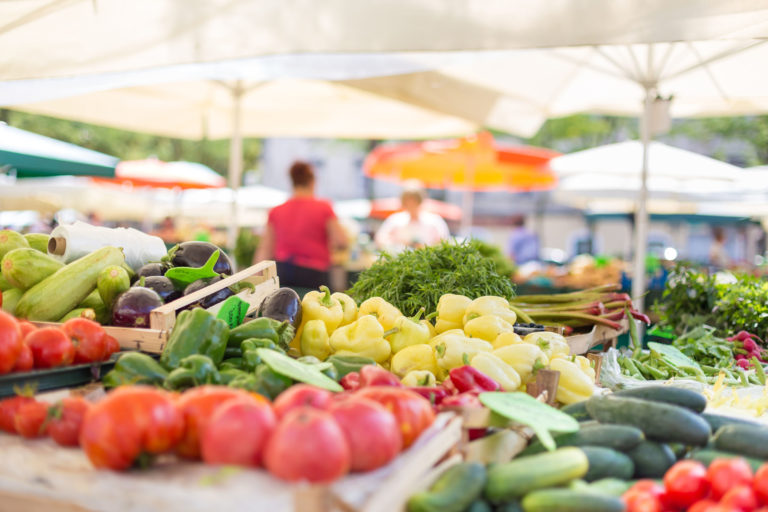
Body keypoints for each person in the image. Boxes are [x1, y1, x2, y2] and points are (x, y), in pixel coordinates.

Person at [255, 161, 347, 289]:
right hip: (315, 273)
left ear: (292, 182)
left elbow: (265, 249)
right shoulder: (324, 208)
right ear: (312, 182)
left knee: (283, 307)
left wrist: (257, 279)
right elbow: (341, 241)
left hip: (283, 271)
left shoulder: (276, 211)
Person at [374, 181, 450, 252]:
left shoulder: (434, 221)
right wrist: (399, 243)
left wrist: (425, 247)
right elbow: (380, 239)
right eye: (408, 201)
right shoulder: (395, 220)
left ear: (420, 201)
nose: (411, 204)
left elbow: (443, 242)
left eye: (414, 201)